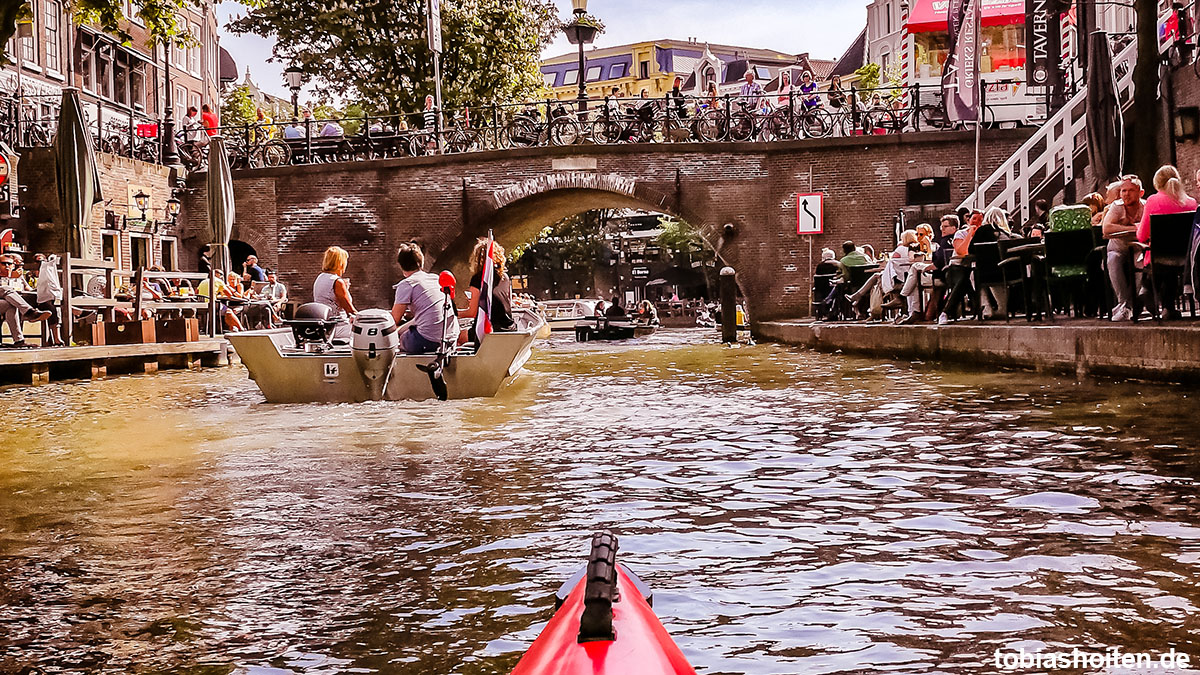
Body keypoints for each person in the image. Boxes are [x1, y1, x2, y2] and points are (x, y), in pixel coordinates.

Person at [1137, 165, 1196, 319]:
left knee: (1157, 263)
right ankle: (1167, 308)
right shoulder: (1191, 203)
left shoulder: (1152, 201)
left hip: (1159, 257)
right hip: (1185, 257)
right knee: (1171, 268)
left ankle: (1146, 289)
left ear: (1157, 183)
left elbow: (1141, 236)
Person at [391, 243, 460, 354]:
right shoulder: (435, 279)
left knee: (395, 340)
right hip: (451, 338)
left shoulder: (407, 284)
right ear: (421, 263)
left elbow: (393, 320)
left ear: (401, 266)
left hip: (427, 340)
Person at [1102, 175, 1147, 322]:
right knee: (1112, 259)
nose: (1126, 194)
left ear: (1140, 193)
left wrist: (1123, 229)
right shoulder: (1117, 206)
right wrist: (1134, 228)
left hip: (1138, 248)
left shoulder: (1145, 206)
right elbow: (1107, 228)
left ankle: (1128, 305)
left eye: (1131, 191)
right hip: (1118, 248)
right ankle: (1124, 303)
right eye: (1123, 191)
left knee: (1141, 262)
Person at [459, 238, 514, 342]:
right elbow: (508, 303)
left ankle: (466, 357)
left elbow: (472, 312)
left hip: (490, 330)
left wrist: (455, 313)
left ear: (477, 258)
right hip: (509, 327)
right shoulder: (505, 277)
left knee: (458, 336)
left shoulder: (478, 279)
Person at [0, 254, 52, 347]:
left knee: (11, 305)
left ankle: (19, 341)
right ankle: (29, 312)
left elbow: (28, 289)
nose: (7, 266)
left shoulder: (17, 276)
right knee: (5, 288)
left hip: (6, 302)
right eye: (4, 263)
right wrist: (11, 275)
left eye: (9, 264)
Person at [314, 246, 357, 338]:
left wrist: (345, 289)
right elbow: (350, 311)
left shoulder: (320, 277)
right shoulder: (337, 281)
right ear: (340, 263)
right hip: (337, 326)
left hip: (323, 325)